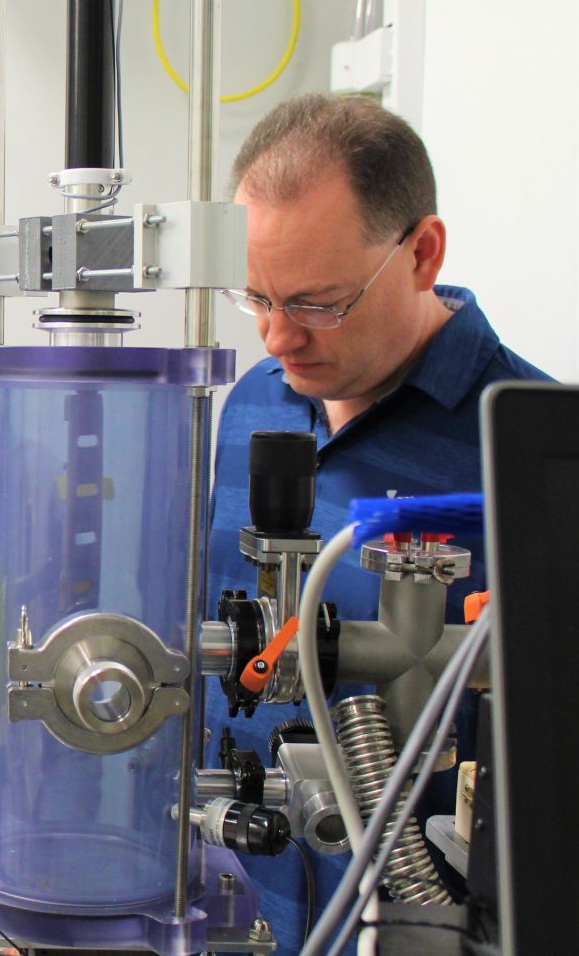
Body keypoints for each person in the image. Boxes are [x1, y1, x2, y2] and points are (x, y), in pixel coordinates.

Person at [206, 93, 550, 952]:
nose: (279, 337)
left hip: (426, 914)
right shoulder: (252, 405)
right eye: (256, 297)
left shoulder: (531, 444)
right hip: (243, 902)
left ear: (422, 253)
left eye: (319, 303)